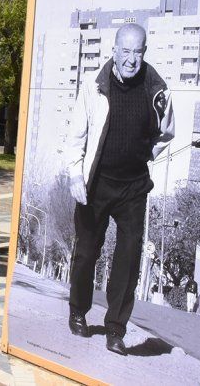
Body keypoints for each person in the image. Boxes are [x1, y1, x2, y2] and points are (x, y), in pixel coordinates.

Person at [64, 23, 175, 356]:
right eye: (125, 51)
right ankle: (78, 310)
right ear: (114, 51)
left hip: (133, 188)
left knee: (128, 260)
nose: (131, 59)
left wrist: (145, 155)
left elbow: (166, 133)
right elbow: (76, 135)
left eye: (138, 51)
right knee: (86, 253)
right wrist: (75, 176)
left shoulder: (156, 90)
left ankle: (115, 329)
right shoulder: (93, 85)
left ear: (145, 51)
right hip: (96, 184)